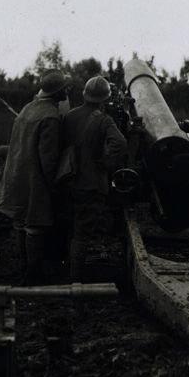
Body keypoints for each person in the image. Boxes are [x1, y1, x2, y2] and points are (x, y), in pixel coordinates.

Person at [0, 70, 69, 285]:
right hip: (34, 178)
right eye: (64, 88)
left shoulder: (28, 108)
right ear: (58, 92)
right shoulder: (51, 116)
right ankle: (33, 274)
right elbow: (48, 158)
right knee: (35, 226)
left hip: (18, 174)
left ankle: (24, 267)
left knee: (20, 222)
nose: (67, 91)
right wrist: (55, 184)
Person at [60, 76, 127, 282]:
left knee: (71, 227)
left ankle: (68, 271)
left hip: (68, 179)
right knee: (82, 233)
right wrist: (106, 163)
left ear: (85, 95)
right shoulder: (104, 120)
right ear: (105, 99)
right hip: (91, 184)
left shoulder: (69, 116)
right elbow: (120, 143)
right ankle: (76, 280)